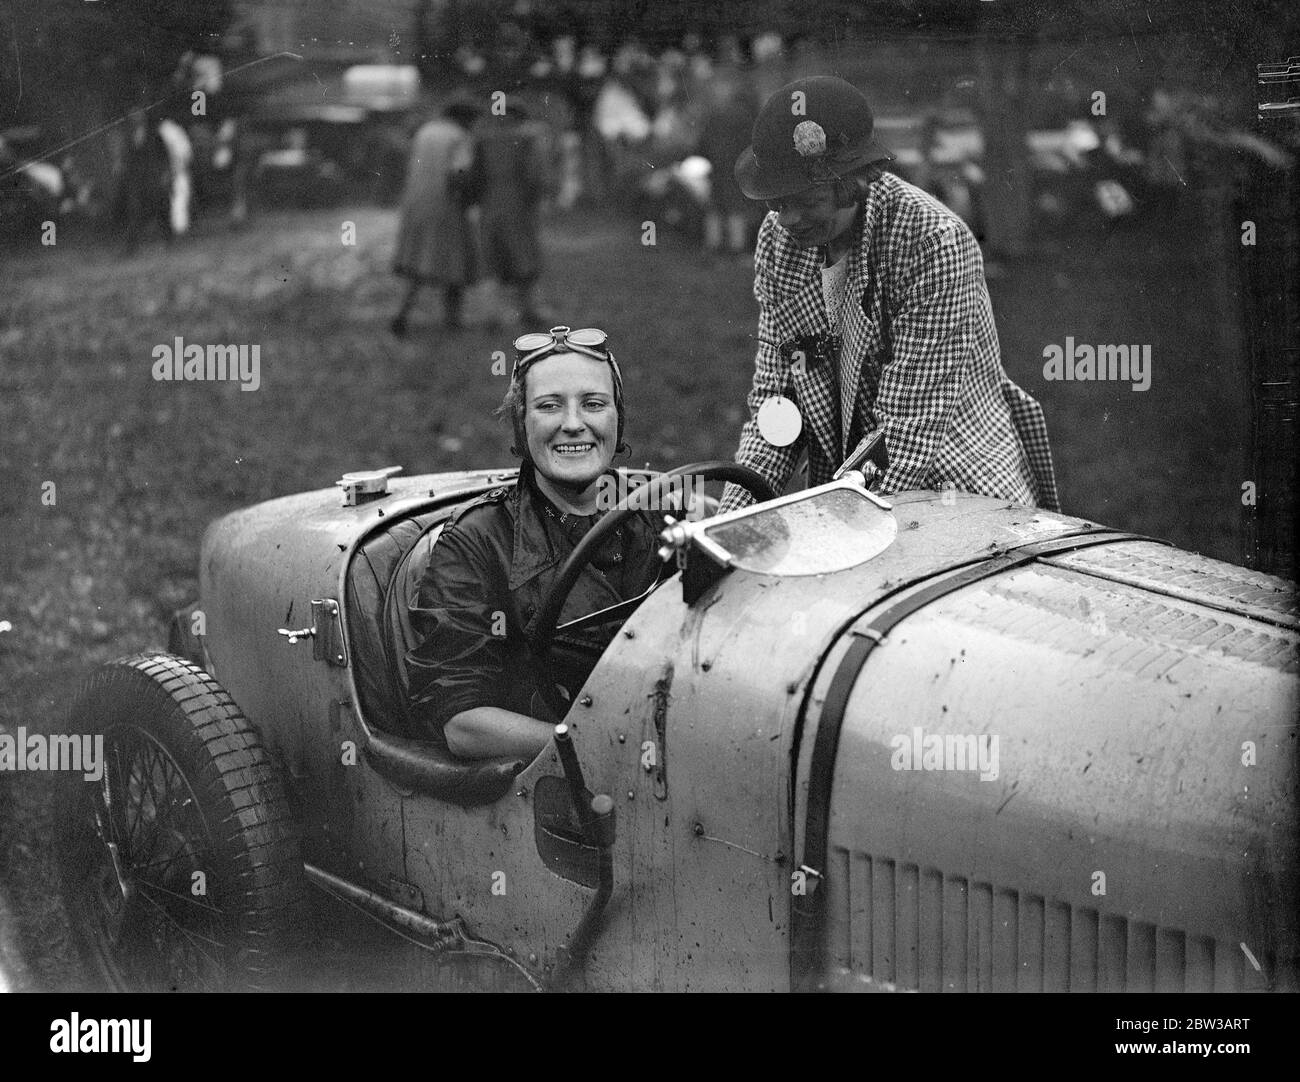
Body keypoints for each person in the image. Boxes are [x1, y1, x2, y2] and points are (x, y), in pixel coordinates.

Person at [719, 76, 1060, 515]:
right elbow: (776, 405)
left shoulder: (933, 242)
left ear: (851, 183)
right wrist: (727, 525)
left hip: (956, 489)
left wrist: (835, 532)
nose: (786, 219)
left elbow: (908, 432)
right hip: (849, 486)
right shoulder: (779, 242)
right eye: (776, 203)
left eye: (805, 200)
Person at [406, 326, 666, 760]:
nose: (573, 424)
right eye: (549, 406)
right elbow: (458, 719)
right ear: (521, 423)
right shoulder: (477, 541)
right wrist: (599, 748)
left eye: (594, 404)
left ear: (617, 418)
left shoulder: (661, 512)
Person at [391, 99, 481, 335]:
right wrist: (471, 195)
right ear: (465, 119)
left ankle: (402, 312)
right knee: (455, 263)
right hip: (446, 205)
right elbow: (459, 172)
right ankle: (453, 320)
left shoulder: (425, 131)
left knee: (418, 262)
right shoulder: (459, 136)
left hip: (416, 203)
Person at [473, 99, 551, 325]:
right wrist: (535, 200)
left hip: (490, 205)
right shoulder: (525, 141)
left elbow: (474, 175)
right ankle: (528, 310)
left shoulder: (483, 141)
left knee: (492, 259)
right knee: (524, 259)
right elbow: (534, 176)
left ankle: (491, 314)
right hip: (518, 206)